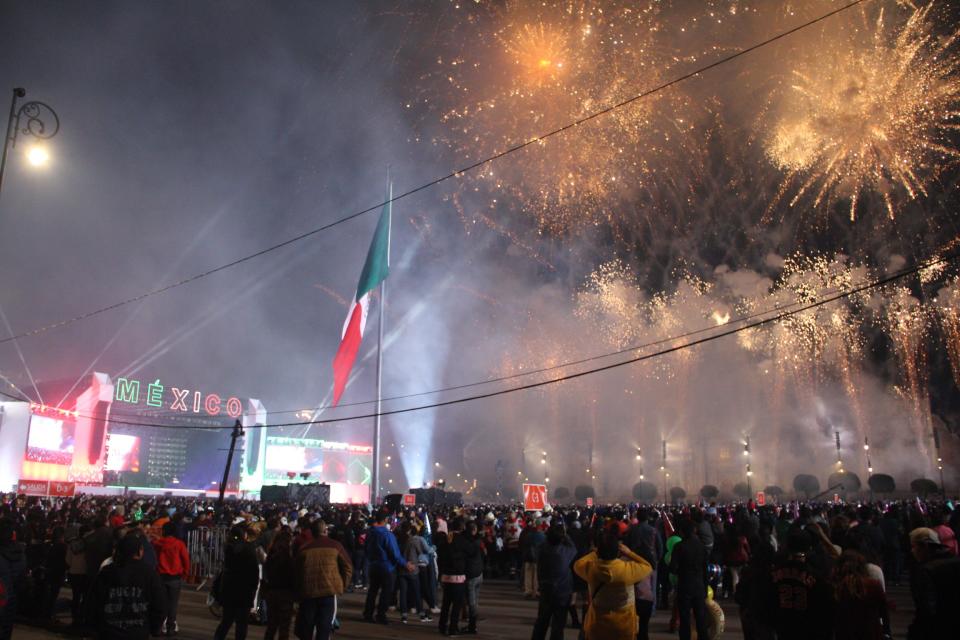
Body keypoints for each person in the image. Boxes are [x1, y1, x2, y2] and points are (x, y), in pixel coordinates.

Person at [573, 532, 652, 640]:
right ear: (618, 552)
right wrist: (629, 553)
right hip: (624, 626)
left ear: (599, 552)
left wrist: (595, 552)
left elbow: (578, 564)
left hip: (597, 624)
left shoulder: (592, 570)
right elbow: (648, 566)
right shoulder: (628, 569)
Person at [88, 533, 166, 640]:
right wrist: (154, 628)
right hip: (137, 632)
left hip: (109, 631)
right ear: (139, 551)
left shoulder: (106, 572)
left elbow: (93, 602)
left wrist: (94, 627)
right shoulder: (149, 574)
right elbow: (159, 605)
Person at [768, 530, 834, 640]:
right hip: (808, 628)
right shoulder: (816, 576)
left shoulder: (773, 574)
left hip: (783, 627)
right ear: (809, 548)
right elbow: (825, 608)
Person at [293, 520, 352, 640]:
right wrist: (342, 585)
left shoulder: (304, 548)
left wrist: (297, 591)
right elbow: (348, 567)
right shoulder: (336, 546)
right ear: (325, 531)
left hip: (308, 592)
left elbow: (296, 572)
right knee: (324, 628)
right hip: (328, 592)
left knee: (307, 628)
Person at [907, 526, 960, 640]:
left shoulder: (925, 570)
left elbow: (926, 608)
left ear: (924, 547)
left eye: (914, 546)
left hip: (937, 629)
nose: (912, 551)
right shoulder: (956, 561)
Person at [362, 510, 413, 624]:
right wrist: (405, 564)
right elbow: (395, 554)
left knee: (372, 591)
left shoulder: (370, 533)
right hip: (386, 567)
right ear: (385, 520)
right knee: (386, 592)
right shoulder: (387, 535)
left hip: (373, 566)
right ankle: (381, 615)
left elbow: (366, 549)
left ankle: (368, 614)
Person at [214, 524, 261, 640]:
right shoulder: (249, 550)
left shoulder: (228, 548)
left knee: (226, 622)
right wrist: (254, 589)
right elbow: (254, 573)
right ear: (243, 535)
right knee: (241, 624)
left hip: (229, 589)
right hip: (244, 591)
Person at [531, 523, 577, 640]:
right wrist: (566, 535)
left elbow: (538, 548)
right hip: (562, 593)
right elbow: (573, 548)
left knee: (541, 623)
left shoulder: (541, 551)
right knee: (558, 626)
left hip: (546, 590)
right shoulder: (564, 553)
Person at [436, 516, 478, 637]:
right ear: (462, 527)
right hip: (458, 577)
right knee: (457, 605)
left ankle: (442, 626)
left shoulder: (447, 538)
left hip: (446, 576)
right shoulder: (462, 540)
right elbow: (472, 552)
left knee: (446, 603)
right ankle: (453, 629)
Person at [832, 550, 887, 640]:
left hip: (845, 633)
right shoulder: (873, 584)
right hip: (870, 631)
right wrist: (886, 631)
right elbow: (883, 611)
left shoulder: (836, 587)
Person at [670, 518, 709, 640]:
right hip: (699, 585)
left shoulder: (679, 547)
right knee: (701, 618)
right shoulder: (702, 547)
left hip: (685, 584)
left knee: (685, 618)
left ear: (682, 532)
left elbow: (673, 568)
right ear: (695, 530)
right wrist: (705, 586)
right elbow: (705, 569)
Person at [153, 521, 190, 636]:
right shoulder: (179, 544)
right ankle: (170, 628)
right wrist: (185, 574)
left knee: (161, 603)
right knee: (172, 604)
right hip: (175, 578)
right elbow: (186, 560)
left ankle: (159, 627)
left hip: (160, 576)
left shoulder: (157, 544)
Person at [263, 528, 295, 640]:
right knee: (284, 628)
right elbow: (292, 576)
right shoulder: (289, 558)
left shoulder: (271, 556)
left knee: (271, 626)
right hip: (285, 594)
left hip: (271, 592)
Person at [396, 521, 430, 623]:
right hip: (412, 569)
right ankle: (422, 615)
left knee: (403, 593)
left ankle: (404, 616)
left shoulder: (398, 539)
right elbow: (421, 552)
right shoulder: (413, 540)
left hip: (401, 569)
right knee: (417, 592)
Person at [0, 519, 26, 640]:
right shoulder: (20, 553)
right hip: (11, 596)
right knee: (6, 628)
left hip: (3, 594)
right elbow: (21, 576)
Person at [463, 520, 486, 634]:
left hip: (471, 574)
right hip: (479, 573)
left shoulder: (465, 542)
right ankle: (472, 623)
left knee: (471, 602)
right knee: (475, 601)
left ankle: (472, 625)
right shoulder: (479, 541)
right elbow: (484, 554)